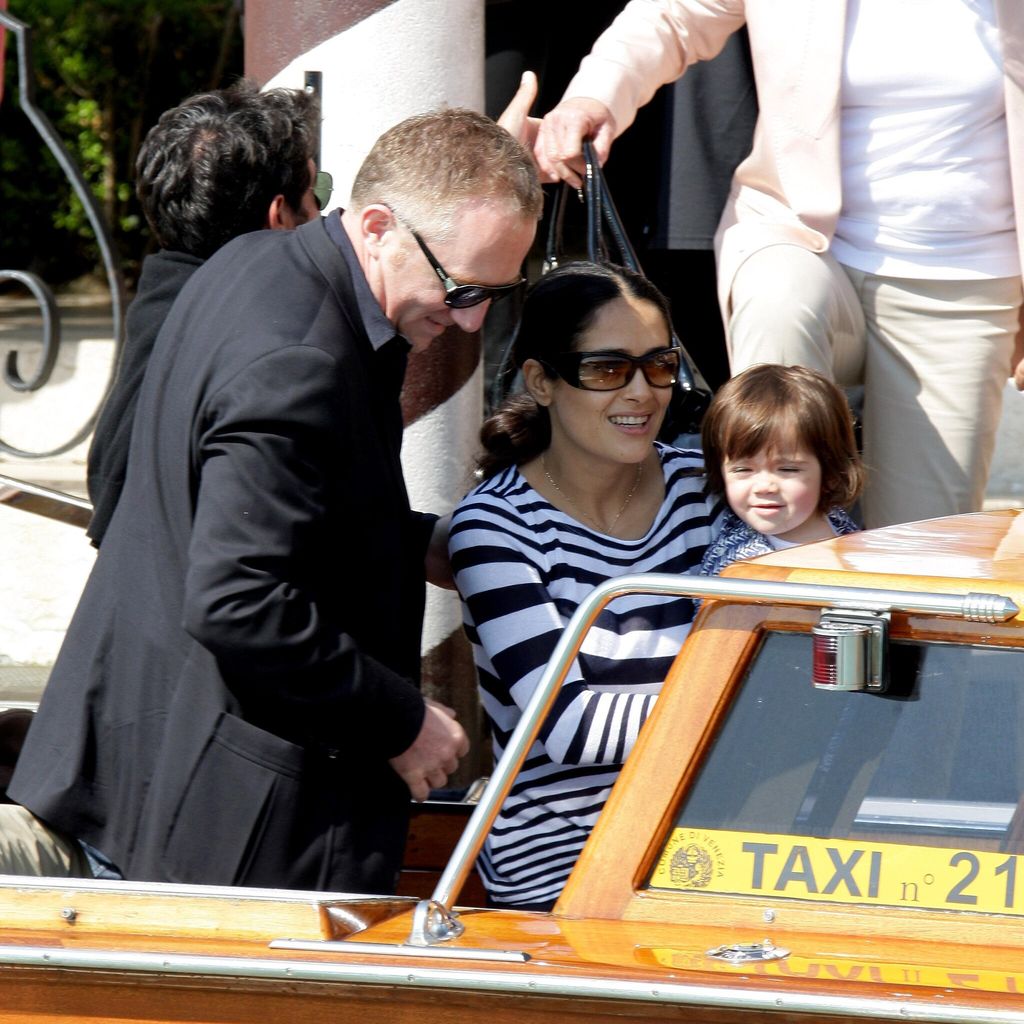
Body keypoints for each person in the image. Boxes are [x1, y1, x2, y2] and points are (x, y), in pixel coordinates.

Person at [5, 108, 542, 892]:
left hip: (150, 764)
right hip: (216, 818)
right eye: (460, 286)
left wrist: (420, 544)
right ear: (380, 225)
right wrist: (403, 721)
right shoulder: (300, 359)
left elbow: (297, 507)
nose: (471, 319)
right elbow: (238, 599)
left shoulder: (256, 262)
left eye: (497, 293)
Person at [532, 0, 1024, 529]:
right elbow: (673, 13)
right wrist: (595, 95)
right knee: (779, 300)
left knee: (924, 546)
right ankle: (776, 570)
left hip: (961, 278)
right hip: (797, 233)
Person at [448, 261, 722, 909]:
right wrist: (753, 705)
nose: (642, 392)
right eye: (606, 369)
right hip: (560, 870)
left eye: (659, 365)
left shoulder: (710, 487)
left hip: (714, 849)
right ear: (541, 381)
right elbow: (569, 725)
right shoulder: (494, 525)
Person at [86, 79, 325, 548]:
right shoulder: (257, 351)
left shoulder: (163, 306)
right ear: (279, 217)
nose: (323, 215)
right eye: (318, 193)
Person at [699, 364, 863, 578]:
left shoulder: (838, 523)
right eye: (743, 469)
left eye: (787, 469)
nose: (764, 486)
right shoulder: (736, 567)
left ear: (831, 473)